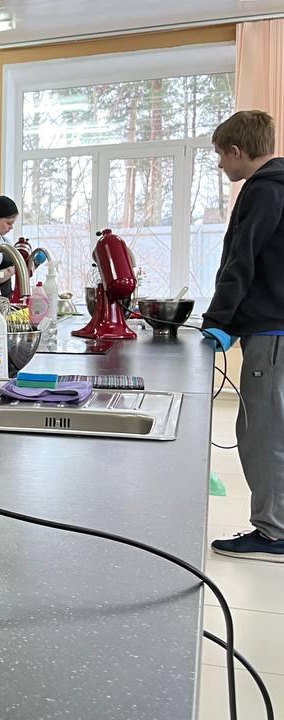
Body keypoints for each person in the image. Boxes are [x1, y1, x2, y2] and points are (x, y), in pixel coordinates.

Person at [200, 110, 284, 561]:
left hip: (271, 332)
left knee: (263, 431)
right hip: (275, 327)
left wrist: (220, 320)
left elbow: (241, 260)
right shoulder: (279, 185)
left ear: (236, 150)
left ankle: (273, 533)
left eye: (220, 155)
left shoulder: (264, 190)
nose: (220, 166)